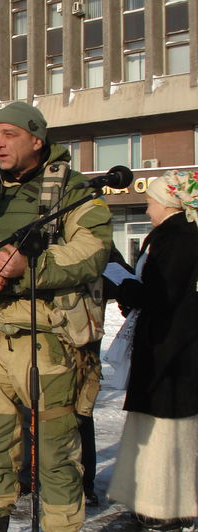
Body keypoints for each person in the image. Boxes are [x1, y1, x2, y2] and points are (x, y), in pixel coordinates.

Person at [0, 102, 112, 531]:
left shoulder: (73, 190)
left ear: (37, 139)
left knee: (56, 456)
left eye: (9, 134)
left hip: (47, 341)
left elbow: (92, 249)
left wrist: (27, 267)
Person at [107, 170, 198, 531]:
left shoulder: (177, 238)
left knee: (164, 432)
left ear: (168, 203)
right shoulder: (176, 235)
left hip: (170, 350)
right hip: (168, 346)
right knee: (156, 426)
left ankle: (164, 507)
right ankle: (149, 501)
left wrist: (125, 287)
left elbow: (161, 295)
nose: (147, 208)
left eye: (150, 201)